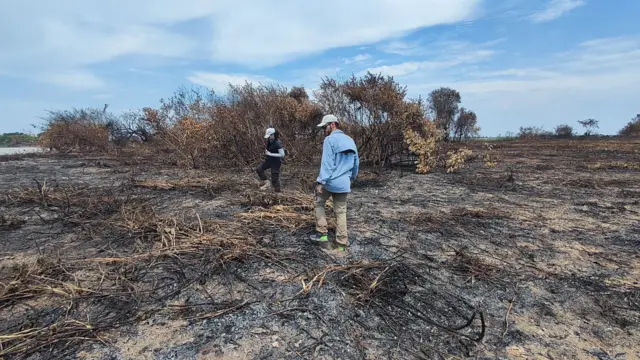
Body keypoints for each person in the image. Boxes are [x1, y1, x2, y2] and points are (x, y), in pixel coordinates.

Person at [309, 114, 359, 252]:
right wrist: (351, 179)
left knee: (319, 202)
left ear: (332, 124)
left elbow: (327, 163)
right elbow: (356, 163)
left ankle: (322, 235)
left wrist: (320, 182)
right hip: (344, 183)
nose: (324, 131)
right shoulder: (350, 140)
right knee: (341, 212)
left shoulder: (329, 140)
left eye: (324, 127)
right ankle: (341, 246)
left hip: (330, 182)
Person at [256, 127, 285, 192]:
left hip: (276, 162)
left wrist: (270, 154)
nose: (268, 137)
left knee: (274, 179)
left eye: (269, 136)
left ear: (273, 135)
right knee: (259, 169)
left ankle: (277, 192)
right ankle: (266, 183)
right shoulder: (269, 141)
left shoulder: (277, 143)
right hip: (269, 160)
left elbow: (282, 154)